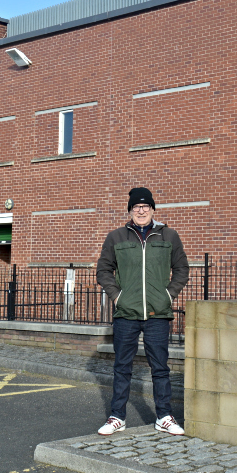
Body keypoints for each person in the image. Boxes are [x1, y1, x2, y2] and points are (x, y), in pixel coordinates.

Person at [95, 187, 189, 436]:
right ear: (130, 210)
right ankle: (117, 416)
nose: (141, 210)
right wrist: (118, 296)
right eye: (136, 207)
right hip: (126, 313)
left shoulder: (168, 235)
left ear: (153, 209)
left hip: (158, 314)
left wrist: (168, 295)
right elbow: (103, 270)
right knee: (122, 366)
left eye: (145, 206)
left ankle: (164, 416)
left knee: (160, 367)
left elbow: (182, 269)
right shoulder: (116, 237)